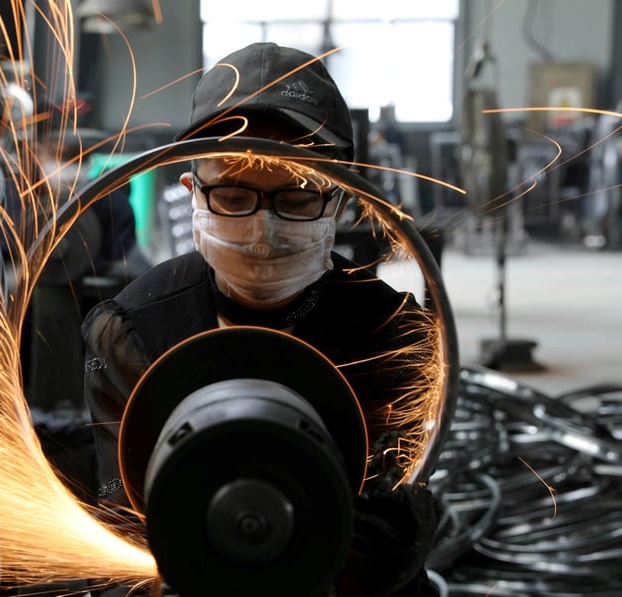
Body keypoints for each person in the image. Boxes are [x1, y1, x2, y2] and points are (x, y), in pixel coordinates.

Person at [81, 43, 440, 596]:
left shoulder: (394, 337)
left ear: (341, 201)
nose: (263, 227)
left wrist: (397, 545)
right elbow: (120, 537)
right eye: (232, 192)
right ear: (192, 194)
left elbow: (409, 487)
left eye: (296, 196)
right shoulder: (133, 332)